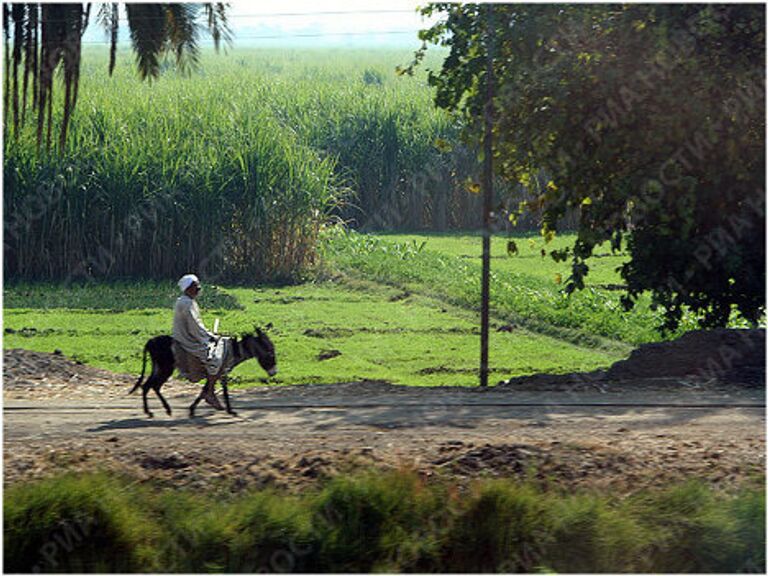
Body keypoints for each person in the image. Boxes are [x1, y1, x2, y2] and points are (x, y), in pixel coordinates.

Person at [172, 274, 223, 410]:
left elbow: (197, 325)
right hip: (188, 341)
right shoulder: (187, 304)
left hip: (187, 338)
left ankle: (208, 391)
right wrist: (210, 336)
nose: (198, 289)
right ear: (188, 289)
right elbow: (195, 327)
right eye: (195, 286)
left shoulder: (185, 301)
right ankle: (210, 393)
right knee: (216, 360)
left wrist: (206, 334)